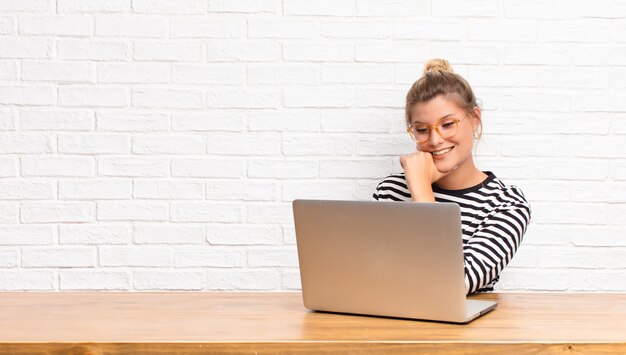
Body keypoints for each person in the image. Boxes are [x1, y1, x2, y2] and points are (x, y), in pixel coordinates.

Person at [371, 58, 532, 295]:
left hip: (463, 331)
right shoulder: (390, 191)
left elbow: (452, 285)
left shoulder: (506, 205)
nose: (435, 140)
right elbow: (373, 276)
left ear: (475, 119)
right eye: (422, 130)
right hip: (391, 325)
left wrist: (421, 190)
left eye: (447, 124)